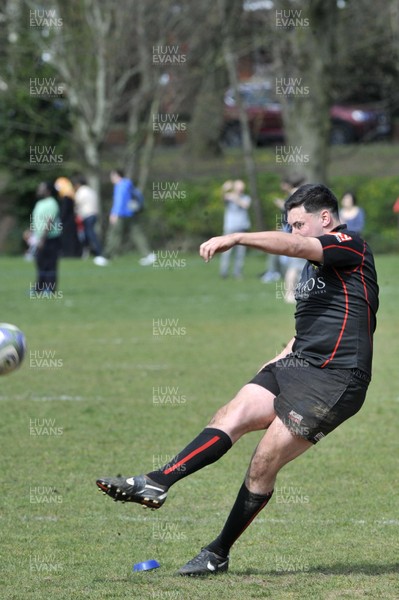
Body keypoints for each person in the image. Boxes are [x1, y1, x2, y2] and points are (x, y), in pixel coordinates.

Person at [96, 184, 379, 576]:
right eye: (291, 225)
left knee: (263, 462)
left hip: (336, 379)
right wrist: (279, 358)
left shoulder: (350, 245)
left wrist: (238, 236)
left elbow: (294, 248)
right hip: (297, 363)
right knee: (233, 412)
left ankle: (217, 553)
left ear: (325, 218)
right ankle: (156, 482)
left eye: (299, 224)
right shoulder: (316, 271)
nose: (294, 232)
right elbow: (314, 325)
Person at [103, 169, 155, 265]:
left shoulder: (120, 186)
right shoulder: (128, 184)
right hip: (131, 213)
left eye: (112, 176)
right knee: (137, 234)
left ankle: (106, 256)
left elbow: (119, 201)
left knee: (114, 234)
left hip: (121, 214)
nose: (111, 178)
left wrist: (114, 213)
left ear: (118, 176)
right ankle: (148, 255)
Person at [30, 182, 62, 294]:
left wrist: (43, 238)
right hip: (39, 238)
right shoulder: (39, 203)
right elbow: (35, 220)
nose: (39, 190)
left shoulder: (52, 203)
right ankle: (39, 287)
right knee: (40, 263)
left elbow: (49, 221)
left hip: (50, 238)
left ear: (48, 191)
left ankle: (50, 288)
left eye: (41, 188)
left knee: (50, 263)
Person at [72, 174, 108, 266]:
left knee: (90, 234)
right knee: (89, 234)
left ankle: (98, 252)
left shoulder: (81, 191)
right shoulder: (91, 191)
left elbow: (77, 203)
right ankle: (91, 252)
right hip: (94, 214)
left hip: (87, 215)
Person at [220, 179, 251, 278]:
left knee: (240, 253)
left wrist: (235, 198)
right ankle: (223, 272)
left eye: (242, 189)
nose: (240, 191)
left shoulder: (246, 197)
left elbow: (245, 205)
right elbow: (222, 198)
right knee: (226, 252)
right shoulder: (229, 196)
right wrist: (223, 189)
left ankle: (237, 273)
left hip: (242, 228)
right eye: (238, 189)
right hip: (230, 227)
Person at [55, 176, 82, 258]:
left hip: (67, 222)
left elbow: (64, 212)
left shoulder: (66, 198)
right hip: (70, 221)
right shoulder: (70, 197)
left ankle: (69, 253)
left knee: (68, 238)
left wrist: (60, 219)